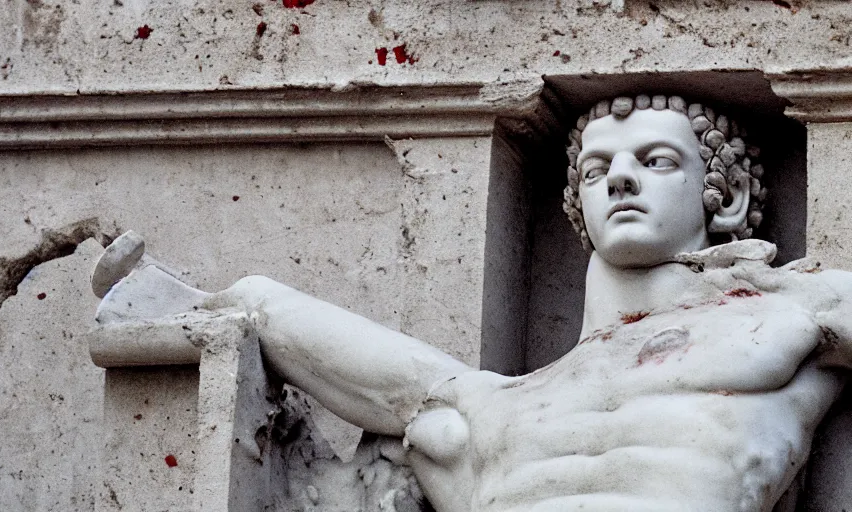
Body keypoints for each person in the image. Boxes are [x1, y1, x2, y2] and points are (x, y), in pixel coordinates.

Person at [98, 94, 852, 511]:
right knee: (261, 303)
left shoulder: (786, 312)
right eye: (596, 170)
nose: (620, 180)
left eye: (655, 162)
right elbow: (268, 309)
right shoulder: (496, 405)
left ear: (730, 198)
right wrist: (213, 305)